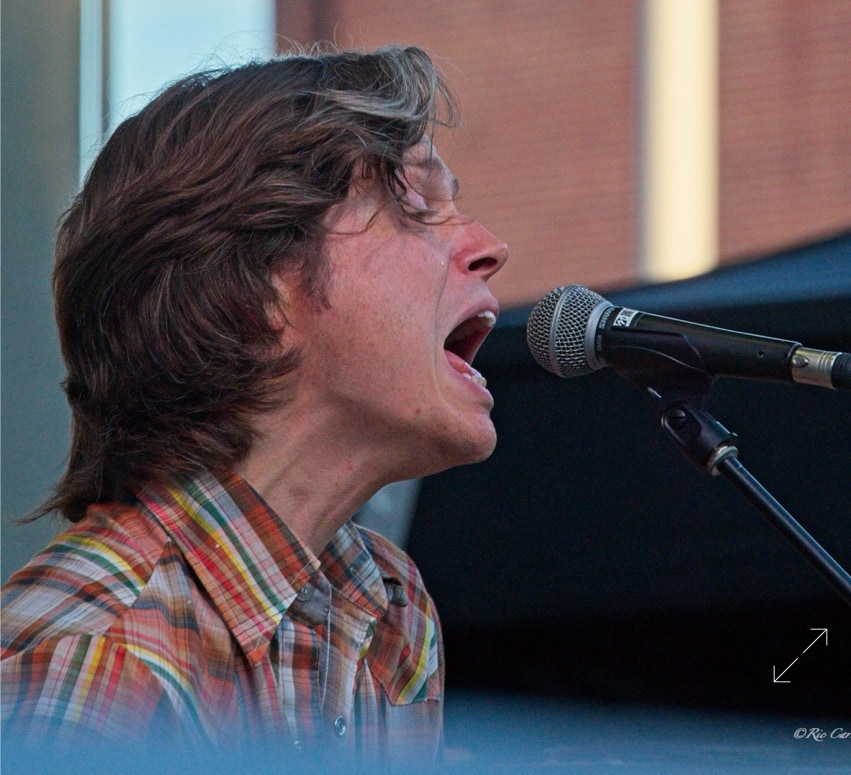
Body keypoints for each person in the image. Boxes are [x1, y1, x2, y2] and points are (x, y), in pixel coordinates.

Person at [1, 45, 508, 768]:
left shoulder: (390, 610)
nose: (489, 247)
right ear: (257, 290)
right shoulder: (98, 665)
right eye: (416, 209)